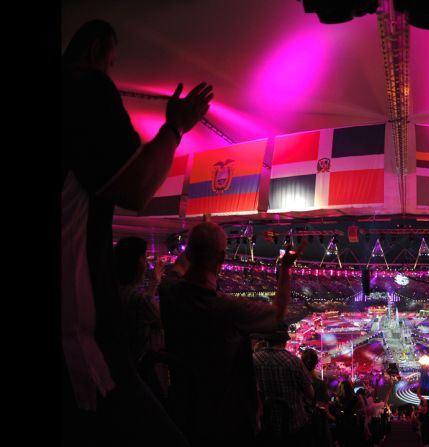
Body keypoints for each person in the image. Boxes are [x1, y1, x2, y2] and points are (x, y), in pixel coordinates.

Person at [62, 19, 211, 446]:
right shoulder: (84, 87)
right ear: (93, 53)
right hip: (79, 333)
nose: (110, 72)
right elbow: (137, 188)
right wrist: (175, 128)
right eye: (110, 63)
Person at [161, 222, 306, 447]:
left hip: (181, 410)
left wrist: (199, 236)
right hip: (226, 420)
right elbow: (278, 312)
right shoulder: (228, 309)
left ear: (189, 252)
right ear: (221, 258)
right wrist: (285, 268)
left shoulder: (168, 291)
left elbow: (177, 270)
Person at [112, 237, 167, 401]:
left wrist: (154, 282)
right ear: (135, 264)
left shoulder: (112, 292)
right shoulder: (137, 301)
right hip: (138, 372)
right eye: (143, 258)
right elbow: (160, 319)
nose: (146, 264)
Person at [253, 323, 315, 446]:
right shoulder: (294, 362)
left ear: (266, 340)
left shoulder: (253, 360)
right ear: (284, 342)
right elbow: (310, 394)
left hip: (264, 426)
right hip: (293, 425)